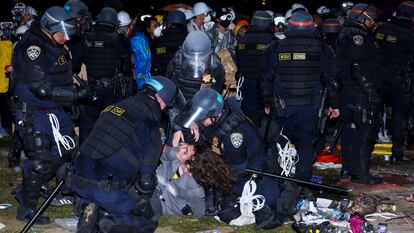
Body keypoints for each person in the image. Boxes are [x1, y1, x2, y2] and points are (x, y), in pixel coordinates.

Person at [12, 6, 92, 224]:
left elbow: (60, 73)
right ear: (49, 27)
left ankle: (28, 185)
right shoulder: (33, 47)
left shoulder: (55, 43)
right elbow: (41, 88)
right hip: (32, 107)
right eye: (63, 31)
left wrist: (70, 99)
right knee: (41, 161)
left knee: (68, 147)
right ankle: (26, 209)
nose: (67, 37)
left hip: (52, 107)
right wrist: (75, 95)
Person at [69, 76, 179, 233]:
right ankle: (106, 221)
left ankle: (88, 207)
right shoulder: (152, 126)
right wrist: (141, 202)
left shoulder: (113, 107)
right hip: (106, 189)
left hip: (77, 179)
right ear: (162, 101)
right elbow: (146, 182)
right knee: (146, 222)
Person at [174, 89, 283, 229]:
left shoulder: (234, 136)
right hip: (232, 164)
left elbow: (234, 174)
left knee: (227, 211)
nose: (199, 122)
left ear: (214, 115)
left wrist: (211, 181)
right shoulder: (216, 115)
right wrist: (182, 127)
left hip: (250, 175)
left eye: (201, 119)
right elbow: (183, 115)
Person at [262, 11, 340, 181]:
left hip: (281, 108)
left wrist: (267, 102)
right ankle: (300, 185)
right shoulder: (322, 48)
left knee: (278, 145)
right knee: (305, 147)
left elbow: (266, 78)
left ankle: (278, 183)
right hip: (310, 109)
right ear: (312, 27)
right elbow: (331, 80)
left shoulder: (275, 47)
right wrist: (334, 104)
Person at [336, 3, 383, 184]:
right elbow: (357, 65)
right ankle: (362, 174)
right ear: (363, 19)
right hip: (359, 92)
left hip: (349, 91)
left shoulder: (346, 33)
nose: (374, 24)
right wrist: (369, 89)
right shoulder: (358, 37)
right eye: (372, 20)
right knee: (365, 132)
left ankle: (348, 169)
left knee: (350, 131)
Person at [79, 7, 132, 143]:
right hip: (112, 90)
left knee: (88, 125)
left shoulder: (86, 37)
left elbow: (79, 62)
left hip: (90, 88)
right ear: (115, 23)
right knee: (112, 125)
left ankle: (83, 156)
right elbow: (126, 66)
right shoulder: (120, 39)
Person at [374, 1, 414, 164]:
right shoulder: (411, 33)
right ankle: (397, 152)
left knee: (375, 112)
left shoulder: (381, 28)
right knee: (399, 116)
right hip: (399, 80)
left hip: (379, 78)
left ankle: (367, 149)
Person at [151, 144, 233, 218]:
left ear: (191, 166)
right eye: (186, 146)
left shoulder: (194, 189)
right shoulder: (176, 157)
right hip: (148, 186)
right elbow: (158, 147)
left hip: (158, 205)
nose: (182, 148)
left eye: (185, 152)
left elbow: (199, 212)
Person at [236, 11, 276, 124]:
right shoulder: (272, 41)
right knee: (267, 121)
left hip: (247, 85)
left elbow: (239, 63)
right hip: (266, 86)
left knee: (250, 119)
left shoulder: (242, 40)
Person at [166, 31, 225, 100]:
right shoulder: (176, 62)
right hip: (181, 102)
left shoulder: (214, 65)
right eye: (191, 58)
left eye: (200, 59)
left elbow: (216, 88)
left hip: (201, 103)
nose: (195, 61)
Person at [152, 10, 188, 76]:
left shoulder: (159, 40)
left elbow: (157, 58)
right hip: (183, 77)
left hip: (164, 78)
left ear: (168, 23)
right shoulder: (188, 38)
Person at [130, 14, 154, 90]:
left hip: (143, 80)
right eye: (155, 26)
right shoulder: (139, 40)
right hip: (141, 80)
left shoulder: (144, 40)